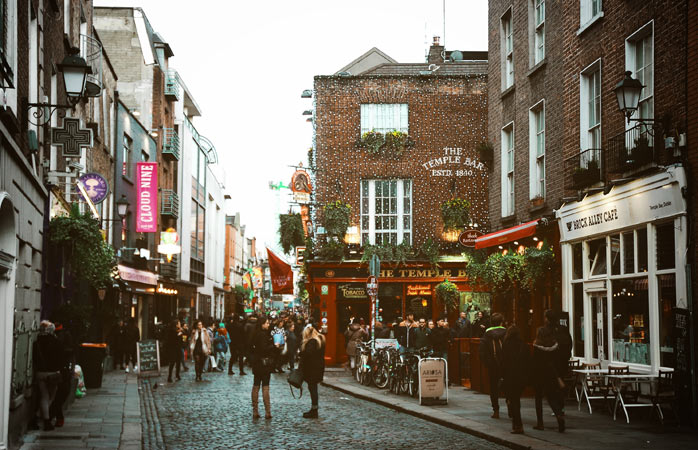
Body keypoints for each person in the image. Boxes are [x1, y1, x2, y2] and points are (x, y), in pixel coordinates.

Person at [532, 316, 566, 432]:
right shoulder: (555, 345)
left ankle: (540, 423)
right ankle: (559, 415)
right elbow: (556, 361)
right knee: (551, 397)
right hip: (551, 373)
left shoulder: (536, 346)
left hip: (538, 374)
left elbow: (534, 361)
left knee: (538, 399)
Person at [33, 321, 64, 431]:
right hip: (53, 373)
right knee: (50, 397)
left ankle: (37, 418)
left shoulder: (36, 342)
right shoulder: (56, 342)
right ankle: (46, 421)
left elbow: (35, 359)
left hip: (40, 373)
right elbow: (61, 358)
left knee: (44, 396)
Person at [501, 325, 530, 434]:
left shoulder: (506, 345)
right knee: (516, 399)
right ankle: (516, 423)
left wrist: (502, 375)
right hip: (521, 377)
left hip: (510, 376)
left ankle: (517, 424)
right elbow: (528, 362)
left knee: (514, 401)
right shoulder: (524, 345)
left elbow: (503, 362)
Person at [480, 312, 506, 418]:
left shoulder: (487, 334)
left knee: (493, 387)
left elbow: (482, 351)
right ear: (501, 322)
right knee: (508, 384)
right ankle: (510, 405)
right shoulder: (506, 332)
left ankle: (496, 410)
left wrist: (487, 363)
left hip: (493, 365)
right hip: (505, 364)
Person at [48, 320, 74, 428]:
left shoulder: (61, 337)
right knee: (61, 394)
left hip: (61, 369)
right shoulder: (56, 338)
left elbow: (70, 351)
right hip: (59, 369)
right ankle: (54, 416)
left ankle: (52, 415)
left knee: (60, 394)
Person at [250, 316, 275, 420]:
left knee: (256, 385)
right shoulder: (264, 335)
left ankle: (255, 411)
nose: (268, 325)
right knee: (265, 386)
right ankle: (267, 411)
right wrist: (274, 345)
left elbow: (250, 347)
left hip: (256, 363)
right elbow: (264, 349)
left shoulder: (254, 334)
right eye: (267, 323)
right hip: (264, 364)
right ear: (262, 324)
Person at [299, 324, 326, 418]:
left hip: (312, 369)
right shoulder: (320, 340)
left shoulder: (312, 342)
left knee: (313, 389)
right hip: (317, 368)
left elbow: (308, 354)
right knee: (313, 388)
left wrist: (301, 352)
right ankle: (314, 409)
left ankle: (314, 410)